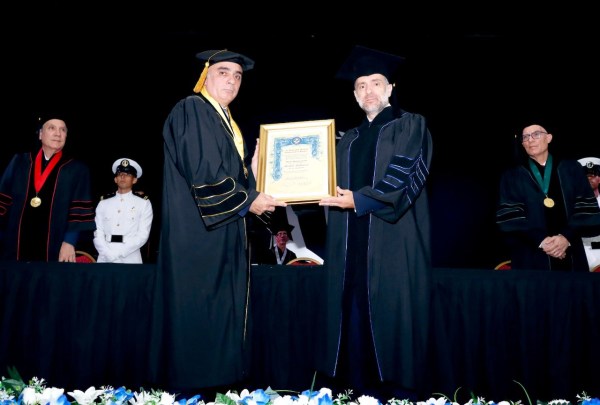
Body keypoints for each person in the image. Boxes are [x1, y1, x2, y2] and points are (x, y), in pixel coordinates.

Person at [154, 49, 286, 393]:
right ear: (205, 76)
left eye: (237, 76)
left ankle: (222, 384)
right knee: (201, 307)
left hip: (224, 232)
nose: (232, 80)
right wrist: (249, 200)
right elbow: (204, 173)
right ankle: (197, 387)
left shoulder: (224, 120)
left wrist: (253, 173)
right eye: (223, 72)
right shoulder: (192, 109)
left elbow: (231, 179)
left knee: (223, 308)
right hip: (198, 236)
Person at [318, 46, 433, 399]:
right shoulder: (347, 139)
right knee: (349, 306)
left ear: (391, 88)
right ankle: (353, 388)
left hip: (392, 239)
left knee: (392, 309)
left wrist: (360, 199)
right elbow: (324, 186)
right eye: (361, 85)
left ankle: (397, 391)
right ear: (355, 95)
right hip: (348, 242)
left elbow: (404, 174)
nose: (369, 90)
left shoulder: (409, 124)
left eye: (376, 83)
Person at [496, 124, 600, 271]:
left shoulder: (572, 169)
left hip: (571, 253)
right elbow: (510, 218)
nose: (530, 140)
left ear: (549, 138)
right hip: (531, 257)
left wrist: (565, 237)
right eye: (525, 137)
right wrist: (542, 241)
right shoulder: (512, 176)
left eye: (536, 134)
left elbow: (586, 209)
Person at [0, 113, 95, 262]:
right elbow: (2, 200)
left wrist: (69, 242)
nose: (58, 133)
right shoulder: (19, 162)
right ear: (40, 134)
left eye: (63, 130)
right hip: (15, 244)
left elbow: (78, 212)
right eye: (52, 128)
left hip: (56, 247)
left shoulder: (77, 169)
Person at [93, 158, 153, 263]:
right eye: (120, 174)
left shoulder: (143, 203)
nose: (123, 177)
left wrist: (118, 253)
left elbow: (143, 235)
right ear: (115, 179)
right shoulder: (103, 203)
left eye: (128, 174)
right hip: (105, 255)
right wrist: (106, 253)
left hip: (130, 257)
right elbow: (98, 232)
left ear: (134, 180)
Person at [577, 157, 600, 271]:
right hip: (581, 253)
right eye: (585, 175)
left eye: (593, 175)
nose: (589, 178)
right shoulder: (569, 204)